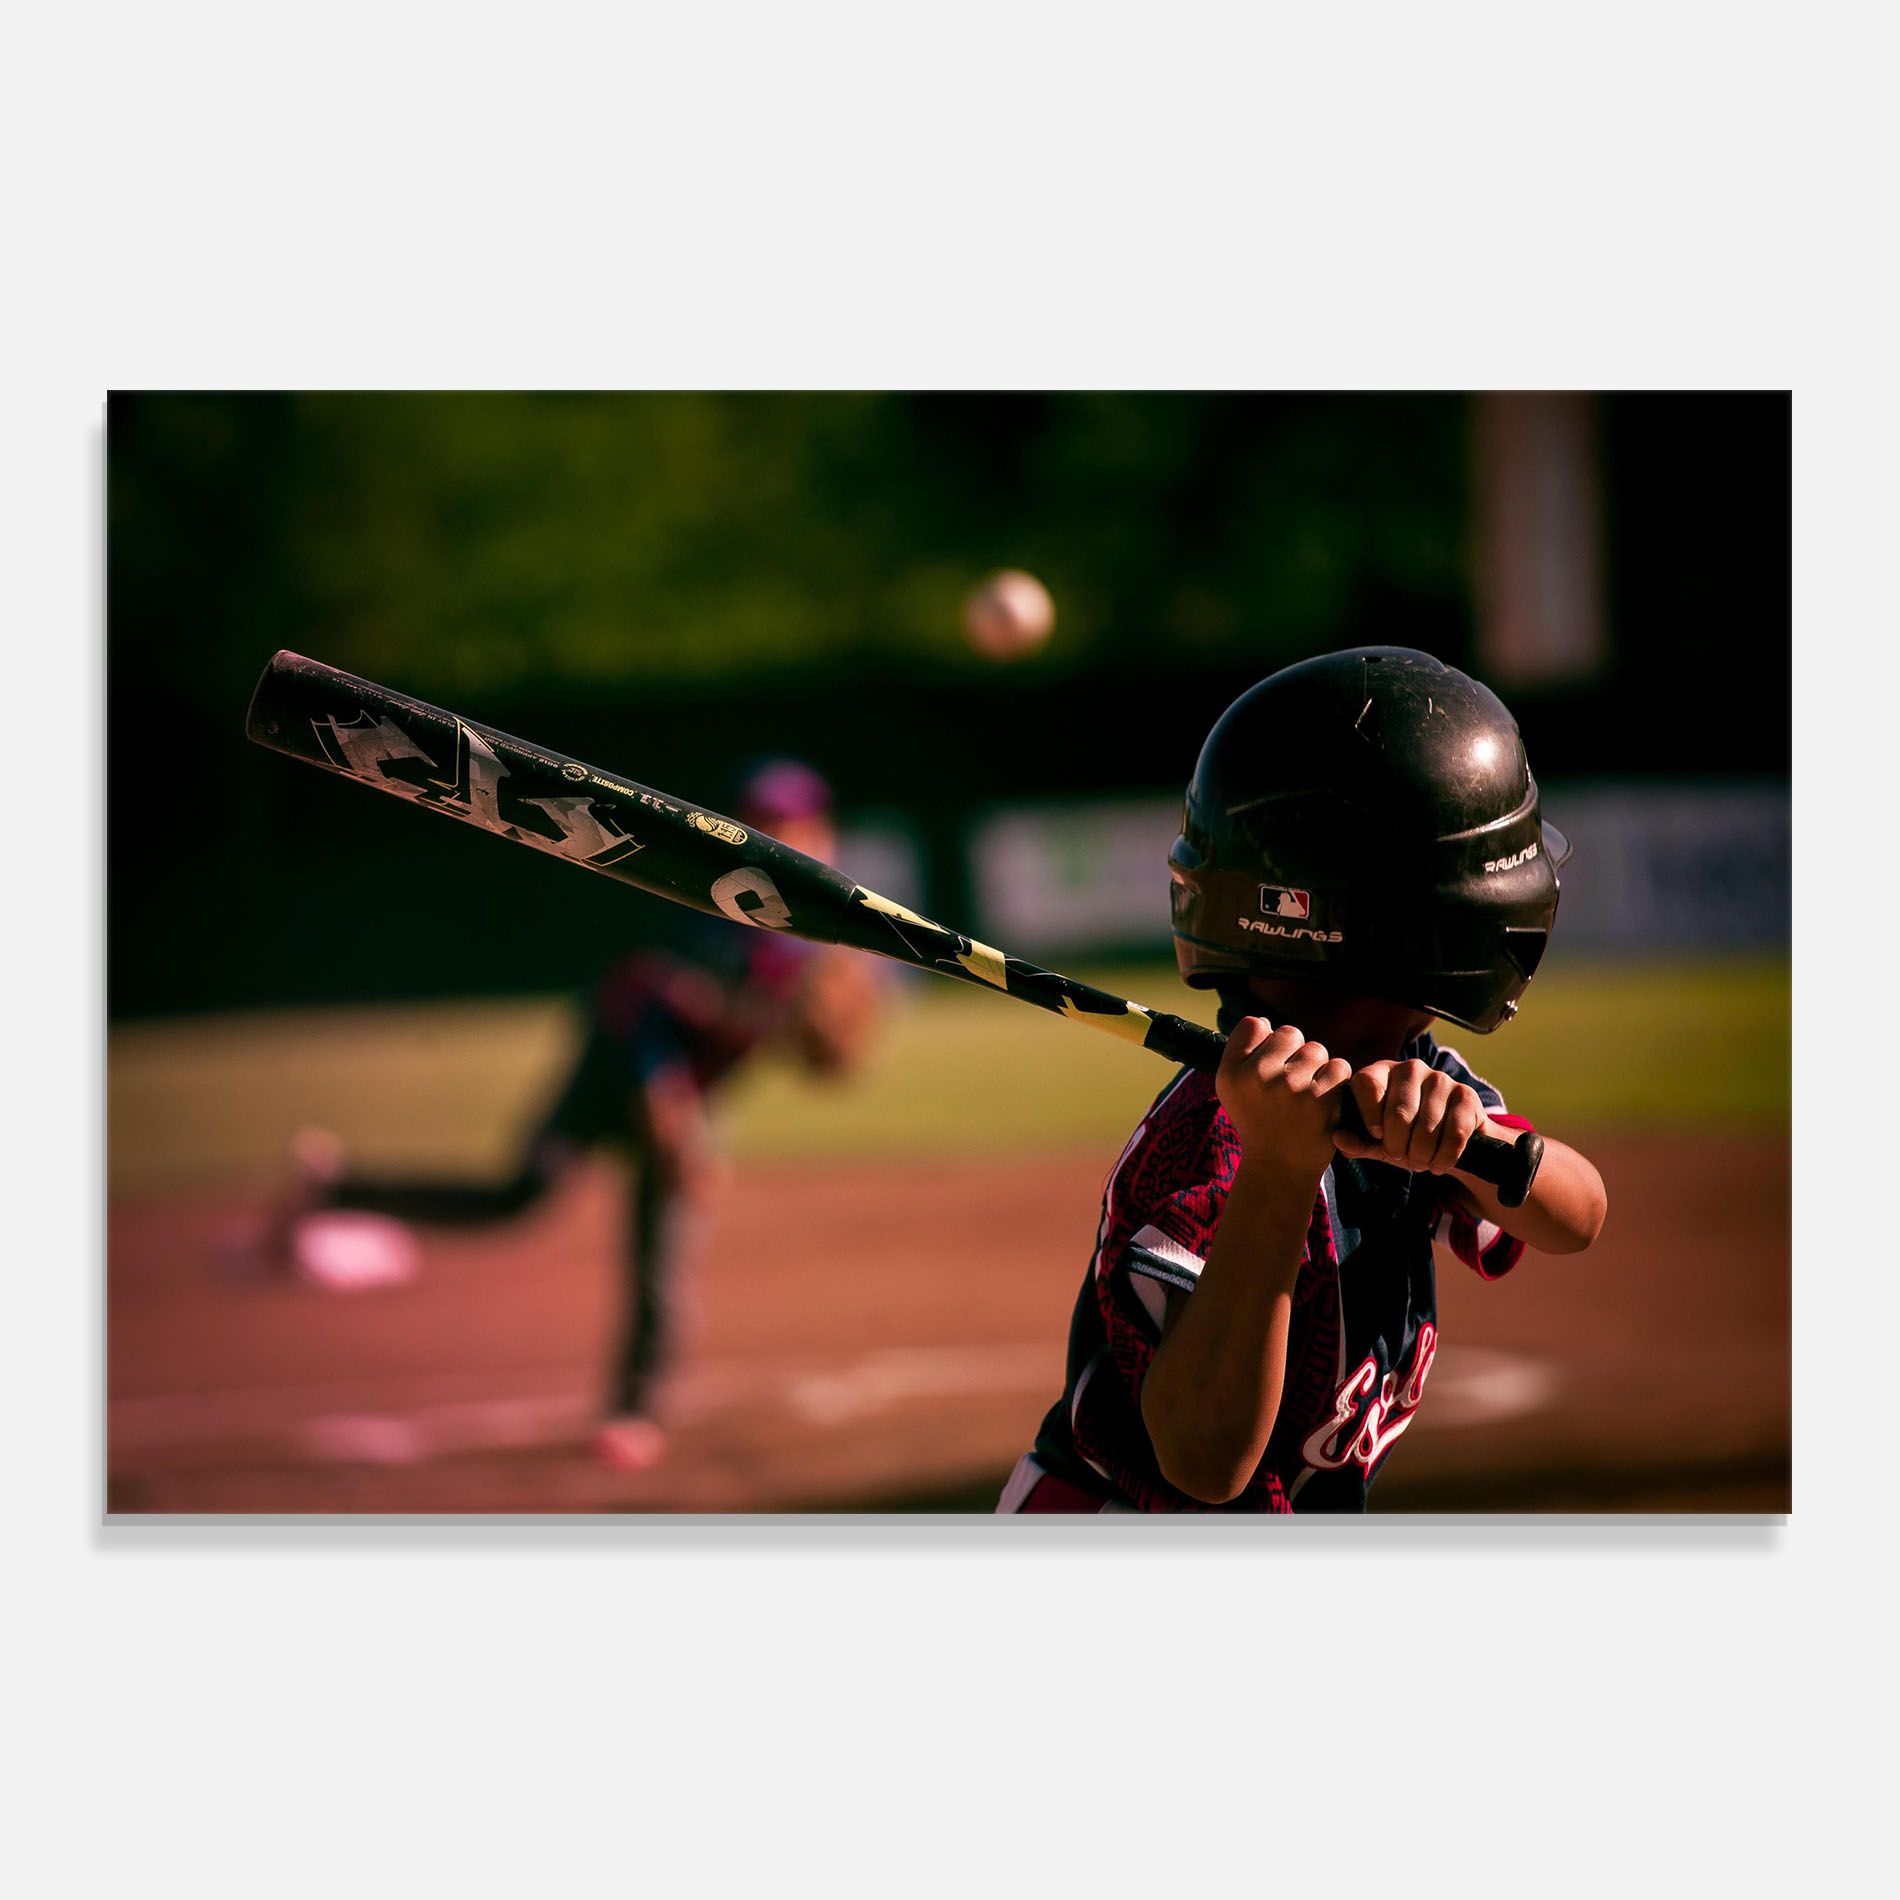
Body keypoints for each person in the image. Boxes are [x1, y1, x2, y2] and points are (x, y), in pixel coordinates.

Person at [998, 647, 1608, 1513]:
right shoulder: (1203, 1147)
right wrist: (1280, 1172)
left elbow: (1578, 1216)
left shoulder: (1418, 1078)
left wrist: (1468, 1145)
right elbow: (1204, 1462)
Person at [272, 760, 885, 1471]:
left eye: (804, 822)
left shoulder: (818, 932)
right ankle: (343, 1189)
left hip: (690, 1091)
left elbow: (800, 1041)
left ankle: (635, 1409)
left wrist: (810, 1043)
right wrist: (666, 1095)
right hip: (615, 1067)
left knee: (663, 1247)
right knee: (517, 1195)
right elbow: (641, 991)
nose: (792, 834)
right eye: (773, 821)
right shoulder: (710, 900)